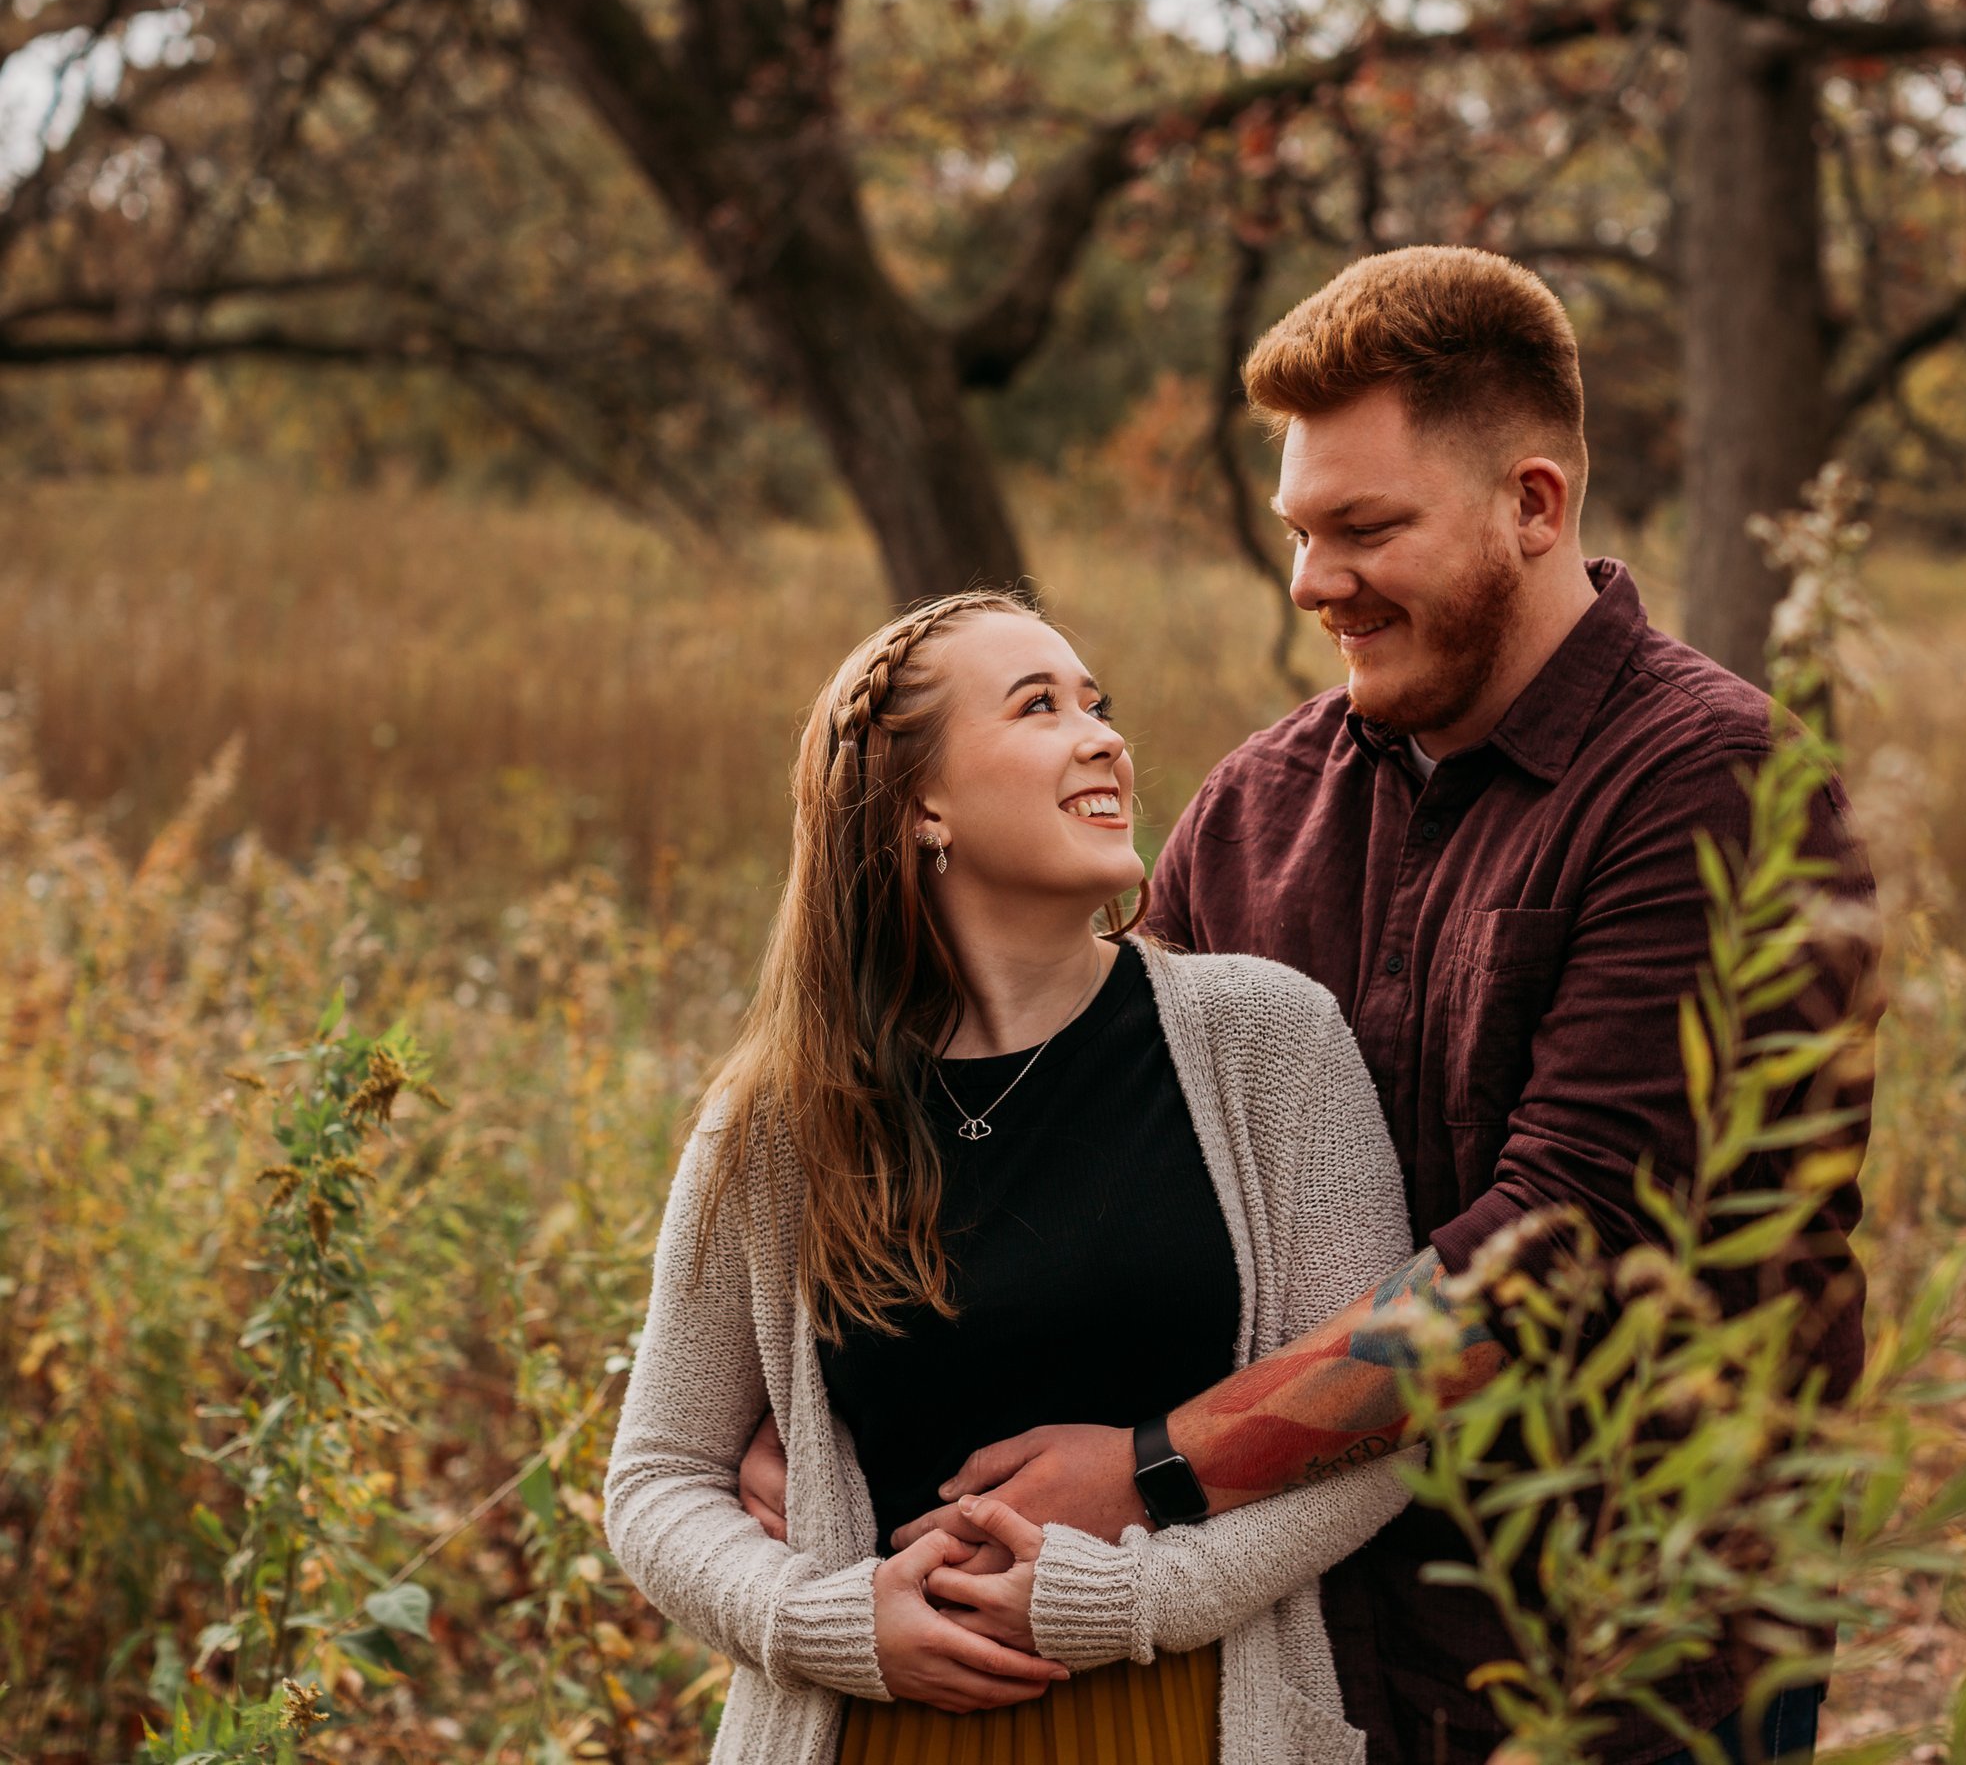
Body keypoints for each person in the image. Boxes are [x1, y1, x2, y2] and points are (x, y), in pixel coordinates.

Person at [740, 246, 1884, 1764]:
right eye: (1298, 530)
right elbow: (1077, 1140)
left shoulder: (1709, 786)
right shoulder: (1260, 804)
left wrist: (1153, 1468)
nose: (1311, 580)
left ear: (1534, 504)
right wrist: (835, 1398)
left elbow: (1561, 1256)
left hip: (1618, 1648)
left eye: (1366, 528)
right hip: (1304, 1651)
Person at [603, 589, 1425, 1764]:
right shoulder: (782, 1119)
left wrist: (1132, 1599)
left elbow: (1383, 1424)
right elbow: (660, 1476)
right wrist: (831, 1623)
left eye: (1099, 704)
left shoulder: (1264, 1040)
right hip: (870, 1735)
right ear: (920, 805)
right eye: (1040, 706)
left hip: (1183, 1719)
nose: (1104, 738)